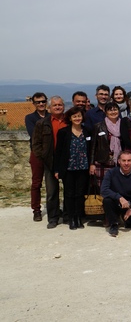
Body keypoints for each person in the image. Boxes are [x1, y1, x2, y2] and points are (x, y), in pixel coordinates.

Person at [52, 106, 92, 230]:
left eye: (79, 116)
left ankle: (79, 217)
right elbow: (58, 152)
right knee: (69, 194)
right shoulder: (63, 132)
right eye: (74, 116)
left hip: (83, 167)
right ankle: (71, 218)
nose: (77, 118)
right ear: (70, 118)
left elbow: (90, 150)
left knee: (80, 194)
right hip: (68, 167)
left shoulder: (87, 131)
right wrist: (57, 169)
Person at [31, 96, 67, 229]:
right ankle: (53, 218)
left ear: (63, 106)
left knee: (68, 190)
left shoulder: (69, 121)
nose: (57, 107)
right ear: (49, 108)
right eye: (55, 105)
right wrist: (44, 157)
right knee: (52, 191)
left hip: (66, 161)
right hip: (50, 162)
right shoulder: (42, 123)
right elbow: (36, 144)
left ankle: (68, 215)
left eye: (60, 105)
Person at [101, 150, 131, 237]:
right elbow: (104, 190)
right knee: (107, 200)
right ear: (119, 161)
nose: (126, 163)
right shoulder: (111, 173)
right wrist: (119, 197)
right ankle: (114, 224)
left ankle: (127, 220)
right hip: (115, 202)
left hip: (129, 204)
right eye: (123, 160)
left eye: (129, 160)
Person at [89, 102, 122, 212]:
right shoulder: (99, 126)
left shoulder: (123, 125)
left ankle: (116, 212)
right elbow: (93, 146)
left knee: (117, 188)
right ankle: (105, 214)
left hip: (119, 162)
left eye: (115, 109)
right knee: (104, 189)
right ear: (105, 112)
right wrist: (92, 163)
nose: (113, 112)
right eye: (110, 110)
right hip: (103, 162)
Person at [25, 92, 47, 221]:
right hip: (37, 153)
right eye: (38, 102)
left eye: (43, 101)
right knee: (36, 182)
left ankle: (54, 207)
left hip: (51, 153)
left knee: (53, 182)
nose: (41, 104)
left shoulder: (51, 116)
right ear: (33, 104)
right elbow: (33, 134)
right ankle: (36, 209)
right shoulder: (30, 118)